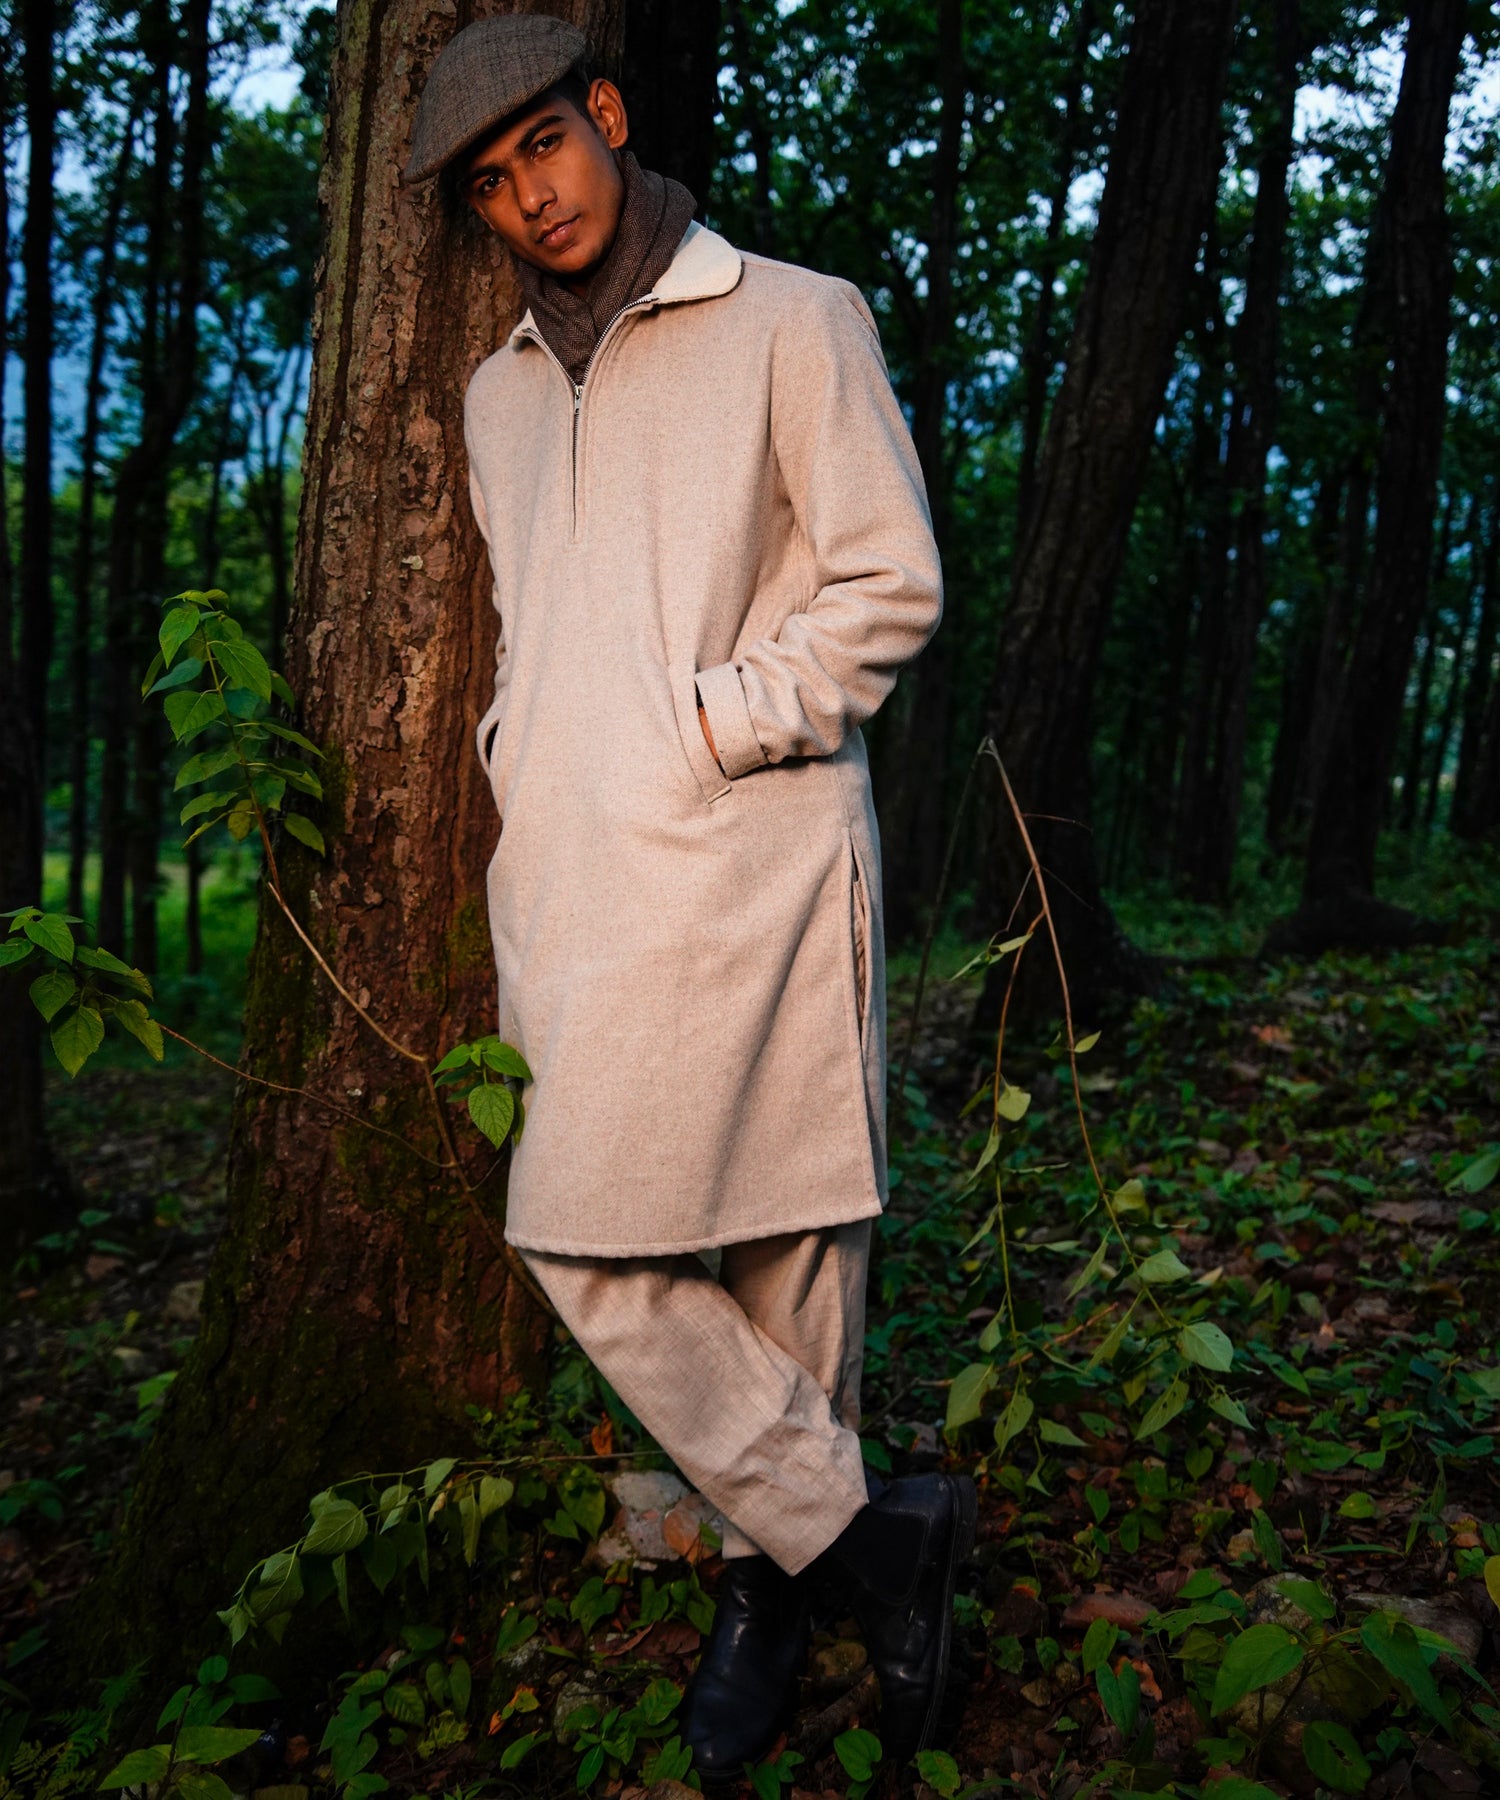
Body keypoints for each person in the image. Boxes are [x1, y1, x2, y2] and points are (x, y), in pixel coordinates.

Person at [403, 14, 971, 1778]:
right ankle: (877, 1544)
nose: (530, 196)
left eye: (543, 147)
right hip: (579, 881)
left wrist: (713, 723)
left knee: (796, 1239)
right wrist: (525, 755)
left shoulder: (796, 318)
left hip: (763, 857)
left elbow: (889, 583)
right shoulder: (499, 394)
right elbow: (535, 629)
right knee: (577, 1231)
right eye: (491, 183)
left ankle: (767, 1590)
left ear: (607, 115)